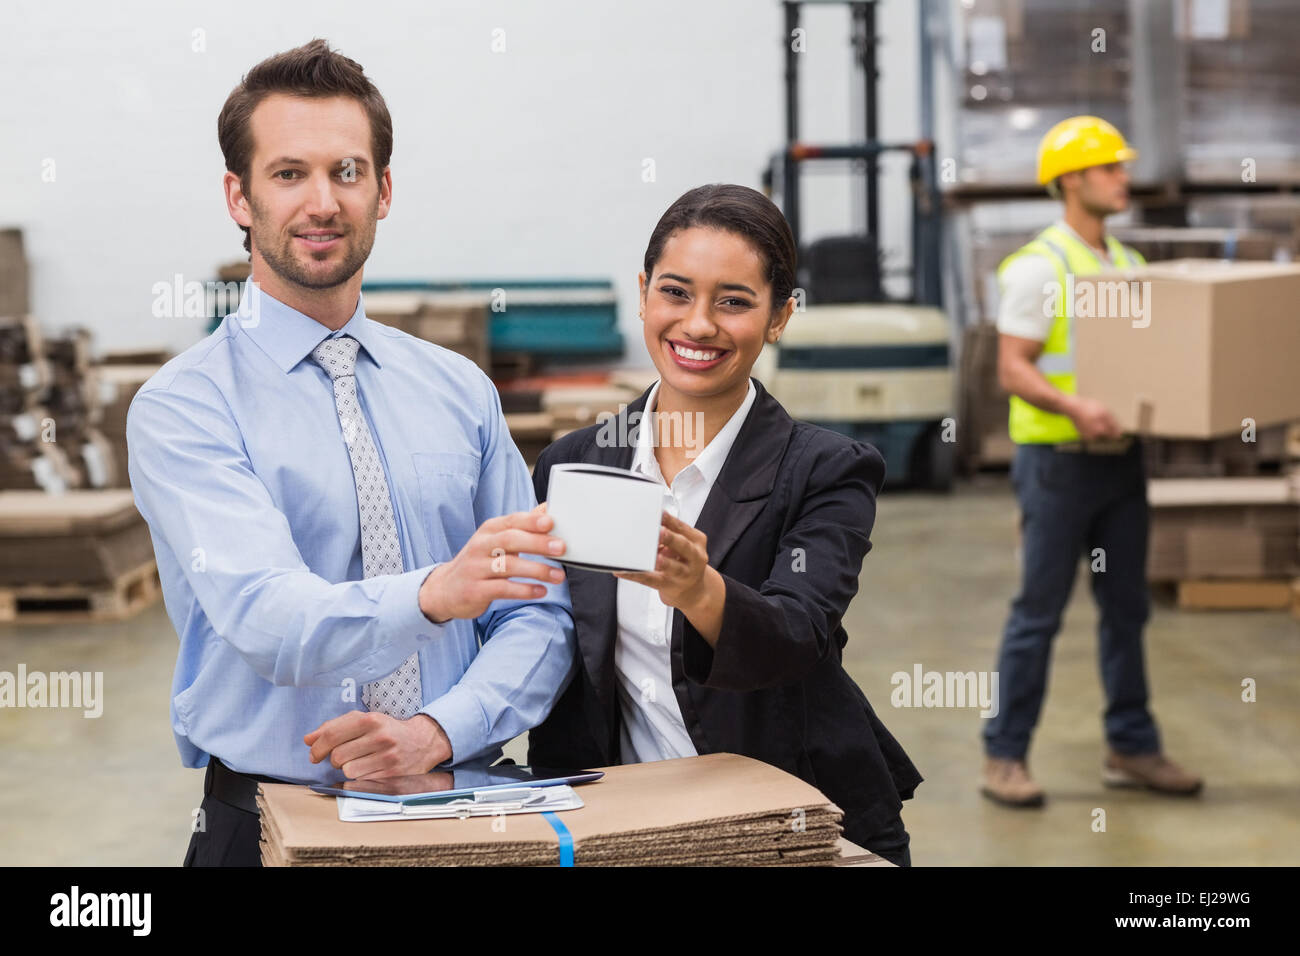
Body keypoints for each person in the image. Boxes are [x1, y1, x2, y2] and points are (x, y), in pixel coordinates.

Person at [126, 39, 575, 867]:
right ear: (239, 195)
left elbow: (537, 613)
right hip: (265, 823)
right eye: (289, 173)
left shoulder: (460, 390)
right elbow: (267, 615)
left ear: (384, 190)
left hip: (463, 800)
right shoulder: (184, 408)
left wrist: (440, 729)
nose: (322, 202)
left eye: (347, 171)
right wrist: (438, 592)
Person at [526, 183, 922, 866]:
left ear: (779, 317)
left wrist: (699, 590)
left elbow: (797, 637)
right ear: (645, 290)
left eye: (734, 301)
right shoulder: (575, 466)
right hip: (629, 825)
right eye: (676, 292)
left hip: (792, 824)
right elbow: (549, 649)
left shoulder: (827, 470)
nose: (699, 324)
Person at [981, 115, 1203, 807]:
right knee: (1038, 612)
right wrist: (1078, 408)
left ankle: (1131, 747)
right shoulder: (1039, 269)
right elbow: (1013, 370)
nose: (1123, 178)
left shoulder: (1129, 266)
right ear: (1072, 179)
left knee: (1128, 609)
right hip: (1057, 464)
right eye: (1110, 167)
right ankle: (1005, 755)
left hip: (1120, 462)